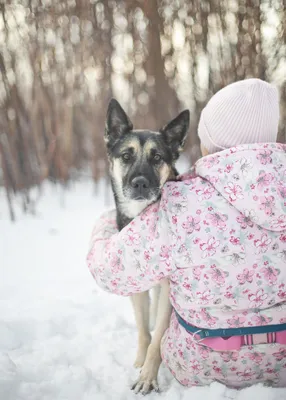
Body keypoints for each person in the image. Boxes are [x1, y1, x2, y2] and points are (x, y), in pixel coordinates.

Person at [86, 79, 286, 388]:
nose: (140, 175)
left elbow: (111, 271)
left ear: (207, 144)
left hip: (202, 364)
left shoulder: (181, 206)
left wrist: (106, 227)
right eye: (127, 158)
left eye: (155, 159)